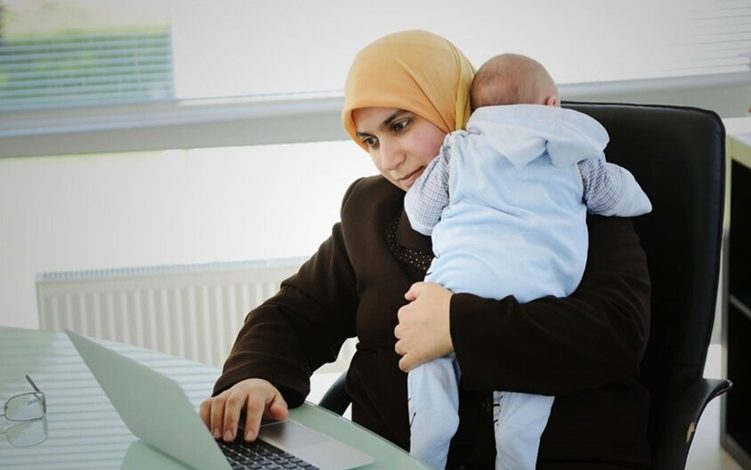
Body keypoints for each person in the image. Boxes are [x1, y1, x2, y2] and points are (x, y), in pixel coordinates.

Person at [200, 30, 652, 469]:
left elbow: (616, 332)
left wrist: (457, 325)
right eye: (370, 140)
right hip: (386, 460)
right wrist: (255, 376)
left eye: (401, 125)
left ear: (456, 107)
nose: (388, 160)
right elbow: (297, 312)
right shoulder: (372, 207)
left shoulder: (566, 188)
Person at [403, 53, 652, 470]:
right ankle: (515, 451)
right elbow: (619, 198)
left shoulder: (458, 148)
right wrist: (635, 191)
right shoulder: (573, 152)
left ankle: (430, 428)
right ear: (552, 105)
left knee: (428, 361)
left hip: (458, 278)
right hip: (535, 290)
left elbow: (422, 216)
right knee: (528, 388)